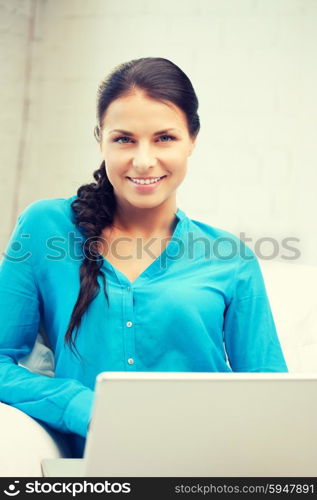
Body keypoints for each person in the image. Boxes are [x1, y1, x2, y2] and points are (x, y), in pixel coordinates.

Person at [0, 57, 288, 459]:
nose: (143, 160)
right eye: (124, 139)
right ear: (100, 138)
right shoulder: (44, 227)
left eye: (165, 138)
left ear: (192, 139)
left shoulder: (231, 258)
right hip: (97, 469)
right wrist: (80, 405)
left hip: (210, 464)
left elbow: (271, 391)